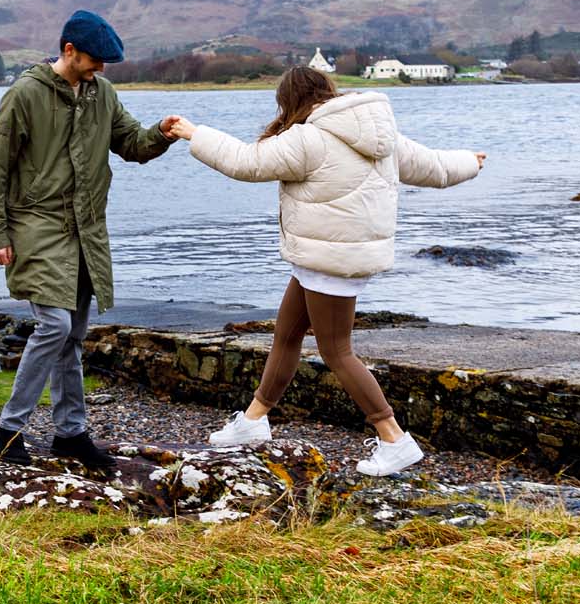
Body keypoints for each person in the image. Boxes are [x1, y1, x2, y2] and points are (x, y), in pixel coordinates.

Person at [162, 66, 485, 476]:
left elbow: (245, 163)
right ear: (327, 91)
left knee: (337, 351)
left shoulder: (309, 138)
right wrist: (470, 163)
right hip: (323, 258)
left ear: (290, 101)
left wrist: (194, 133)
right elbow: (433, 167)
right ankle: (254, 420)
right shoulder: (379, 132)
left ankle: (395, 439)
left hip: (331, 261)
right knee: (288, 333)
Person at [0, 9, 178, 470]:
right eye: (95, 60)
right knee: (55, 327)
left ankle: (70, 434)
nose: (101, 69)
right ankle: (9, 432)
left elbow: (130, 143)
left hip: (86, 230)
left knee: (74, 337)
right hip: (35, 225)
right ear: (69, 50)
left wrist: (161, 134)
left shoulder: (101, 92)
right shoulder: (25, 94)